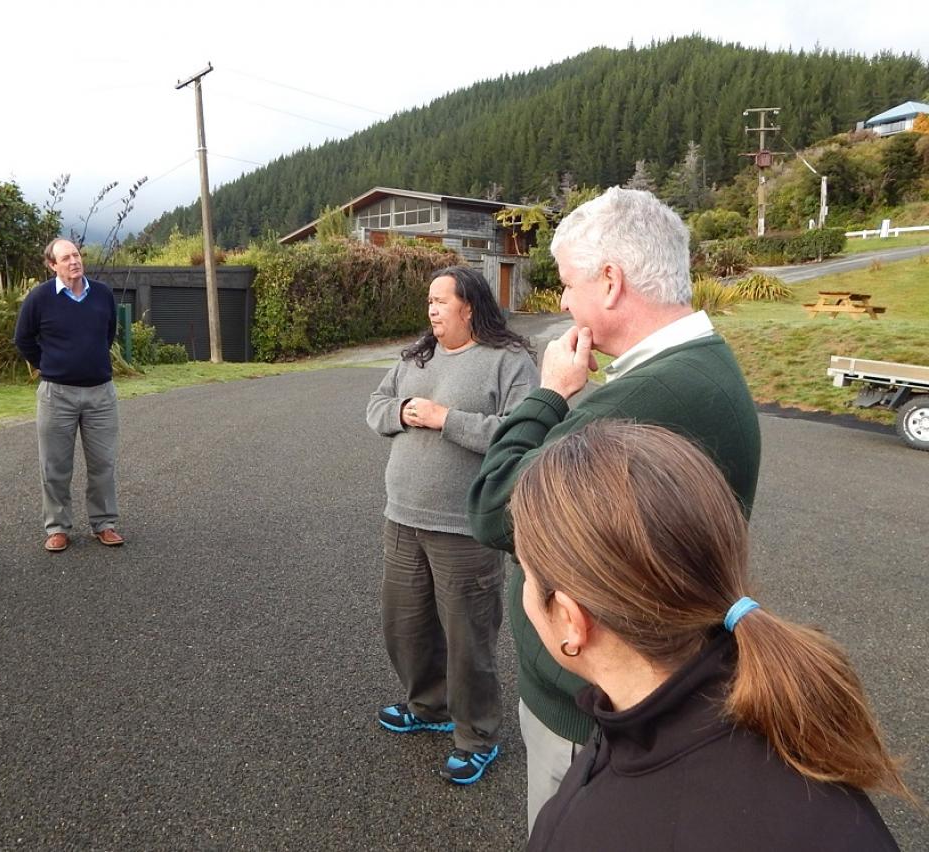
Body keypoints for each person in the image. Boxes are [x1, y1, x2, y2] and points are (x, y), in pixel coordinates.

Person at [466, 187, 762, 822]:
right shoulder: (698, 366)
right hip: (636, 691)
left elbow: (493, 507)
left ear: (609, 281)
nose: (562, 303)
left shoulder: (644, 399)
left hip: (590, 713)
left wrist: (549, 394)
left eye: (567, 284)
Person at [509, 421, 907, 850]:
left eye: (525, 573)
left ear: (571, 621)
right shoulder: (763, 710)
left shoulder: (609, 830)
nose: (524, 589)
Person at [365, 265, 539, 785]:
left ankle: (477, 735)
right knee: (405, 627)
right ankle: (428, 706)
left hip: (466, 526)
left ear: (470, 306)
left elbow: (523, 433)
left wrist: (447, 419)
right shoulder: (416, 356)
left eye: (441, 300)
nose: (432, 309)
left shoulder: (509, 361)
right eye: (430, 301)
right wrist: (402, 411)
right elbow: (376, 408)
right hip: (403, 516)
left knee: (468, 640)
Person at [14, 239, 123, 553]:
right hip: (56, 395)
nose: (74, 261)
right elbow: (23, 339)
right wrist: (49, 364)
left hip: (101, 394)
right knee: (55, 466)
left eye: (76, 255)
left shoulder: (102, 294)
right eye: (66, 258)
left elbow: (108, 333)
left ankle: (104, 523)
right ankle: (58, 527)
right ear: (52, 265)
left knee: (103, 463)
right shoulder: (40, 298)